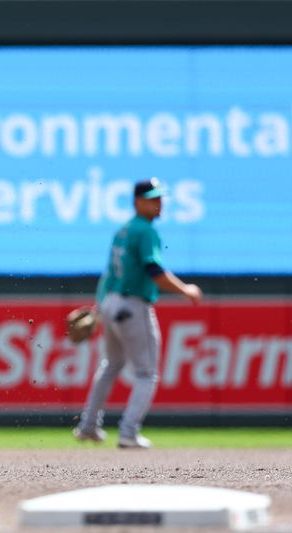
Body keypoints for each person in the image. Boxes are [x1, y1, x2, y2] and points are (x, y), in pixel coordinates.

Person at [73, 178, 202, 449]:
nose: (158, 204)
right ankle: (129, 432)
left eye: (160, 198)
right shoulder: (145, 231)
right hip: (132, 305)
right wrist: (185, 290)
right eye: (152, 199)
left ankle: (87, 427)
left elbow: (108, 275)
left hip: (111, 302)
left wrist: (100, 307)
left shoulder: (123, 230)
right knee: (146, 372)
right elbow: (154, 271)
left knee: (111, 366)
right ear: (137, 202)